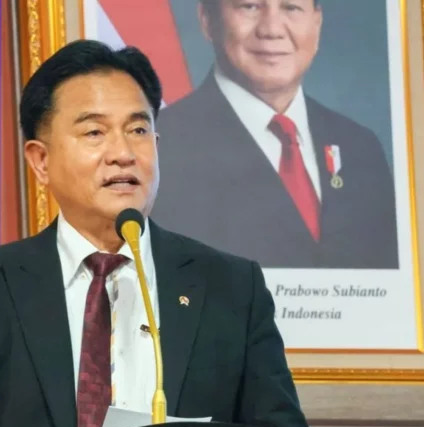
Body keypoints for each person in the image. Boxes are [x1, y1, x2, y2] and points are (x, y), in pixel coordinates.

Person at [0, 39, 310, 427]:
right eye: (95, 133)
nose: (123, 153)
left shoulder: (230, 288)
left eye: (138, 130)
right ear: (41, 160)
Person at [151, 0, 399, 269]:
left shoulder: (360, 147)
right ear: (207, 20)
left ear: (316, 23)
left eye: (291, 7)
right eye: (250, 6)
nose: (271, 30)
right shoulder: (161, 147)